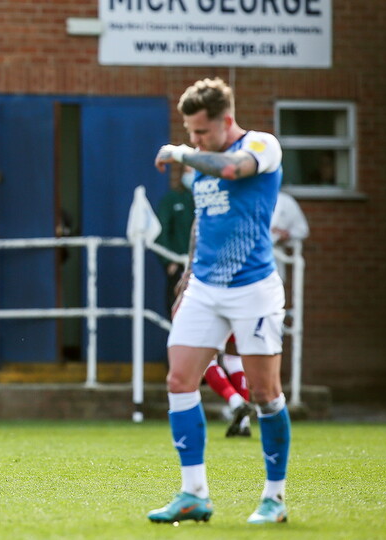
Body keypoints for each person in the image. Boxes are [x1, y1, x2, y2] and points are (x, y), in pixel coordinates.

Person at [149, 78, 291, 525]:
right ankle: (194, 494)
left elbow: (233, 170)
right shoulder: (198, 164)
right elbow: (202, 222)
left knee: (266, 393)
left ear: (226, 121)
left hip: (253, 288)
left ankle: (275, 498)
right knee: (178, 380)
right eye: (188, 132)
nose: (194, 140)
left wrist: (179, 152)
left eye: (201, 132)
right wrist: (187, 278)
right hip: (205, 289)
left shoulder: (263, 146)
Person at [204, 189, 309, 437]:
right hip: (260, 292)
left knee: (207, 358)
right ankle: (244, 421)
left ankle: (235, 402)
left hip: (228, 290)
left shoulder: (227, 202)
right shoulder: (252, 202)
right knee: (240, 359)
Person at [155, 166, 196, 314]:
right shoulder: (172, 199)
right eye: (187, 171)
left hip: (204, 268)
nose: (190, 174)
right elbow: (161, 231)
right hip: (180, 266)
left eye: (194, 170)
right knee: (178, 311)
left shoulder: (207, 200)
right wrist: (169, 261)